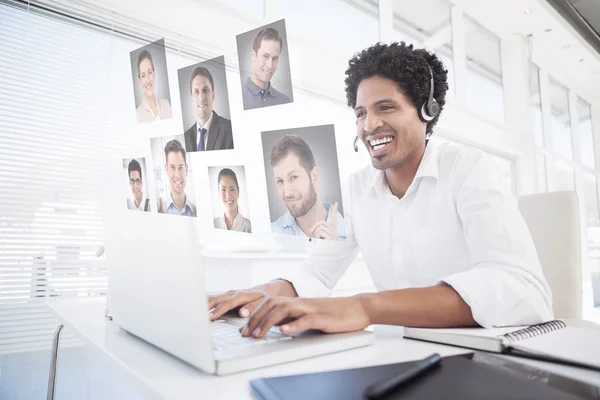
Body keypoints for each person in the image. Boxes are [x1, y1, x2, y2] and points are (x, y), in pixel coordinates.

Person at [208, 42, 553, 339]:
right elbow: (318, 271)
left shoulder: (468, 170)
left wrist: (365, 307)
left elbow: (525, 290)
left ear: (426, 110)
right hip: (396, 353)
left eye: (385, 107)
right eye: (361, 113)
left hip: (476, 357)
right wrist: (262, 294)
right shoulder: (356, 189)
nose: (369, 125)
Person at [269, 135, 345, 240]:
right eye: (280, 181)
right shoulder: (270, 235)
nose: (287, 193)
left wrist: (336, 251)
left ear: (313, 176)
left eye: (293, 177)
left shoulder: (350, 230)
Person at [183, 66, 234, 152]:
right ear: (191, 99)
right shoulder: (185, 137)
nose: (201, 97)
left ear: (213, 96)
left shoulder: (230, 130)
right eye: (196, 92)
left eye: (205, 90)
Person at [242, 27, 292, 110]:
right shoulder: (237, 98)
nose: (270, 65)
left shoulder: (285, 101)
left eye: (275, 58)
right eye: (265, 56)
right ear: (253, 55)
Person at [158, 139, 197, 217]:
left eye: (180, 167)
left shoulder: (196, 212)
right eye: (172, 167)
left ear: (186, 169)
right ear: (167, 170)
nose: (178, 175)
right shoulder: (160, 211)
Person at [135, 49, 172, 124]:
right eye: (143, 75)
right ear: (140, 80)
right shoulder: (137, 116)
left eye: (149, 72)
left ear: (154, 73)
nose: (148, 80)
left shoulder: (166, 105)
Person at [213, 168, 252, 233]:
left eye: (232, 189)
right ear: (219, 193)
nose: (228, 195)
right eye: (223, 190)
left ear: (238, 192)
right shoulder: (214, 224)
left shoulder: (248, 226)